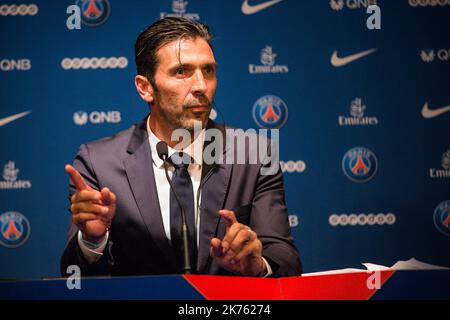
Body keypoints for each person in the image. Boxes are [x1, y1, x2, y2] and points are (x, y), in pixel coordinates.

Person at [61, 17, 302, 277]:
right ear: (145, 88)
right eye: (182, 71)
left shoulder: (254, 155)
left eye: (208, 71)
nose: (200, 86)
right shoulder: (98, 163)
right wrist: (93, 241)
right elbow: (75, 276)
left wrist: (257, 266)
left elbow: (284, 259)